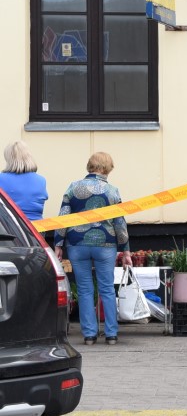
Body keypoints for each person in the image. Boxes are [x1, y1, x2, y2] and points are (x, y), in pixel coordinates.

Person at [54, 152, 130, 346]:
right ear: (106, 168)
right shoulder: (112, 191)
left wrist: (58, 244)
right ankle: (111, 334)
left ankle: (89, 335)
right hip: (105, 245)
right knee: (106, 289)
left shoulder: (73, 187)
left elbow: (63, 218)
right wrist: (126, 250)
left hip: (77, 244)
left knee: (85, 289)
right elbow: (120, 223)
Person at [0, 140, 49, 221]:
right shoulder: (41, 180)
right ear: (28, 156)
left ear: (8, 158)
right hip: (36, 229)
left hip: (10, 230)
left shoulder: (1, 179)